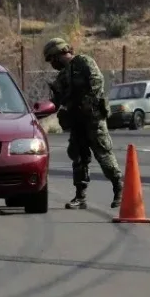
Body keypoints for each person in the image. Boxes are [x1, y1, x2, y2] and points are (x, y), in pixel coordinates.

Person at [44, 38, 124, 210]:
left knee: (103, 152)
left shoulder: (84, 62)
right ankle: (80, 196)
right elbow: (57, 100)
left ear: (59, 53)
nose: (52, 64)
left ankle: (119, 188)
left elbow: (97, 82)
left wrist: (87, 104)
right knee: (78, 157)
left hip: (93, 118)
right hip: (76, 121)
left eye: (52, 59)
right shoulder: (62, 76)